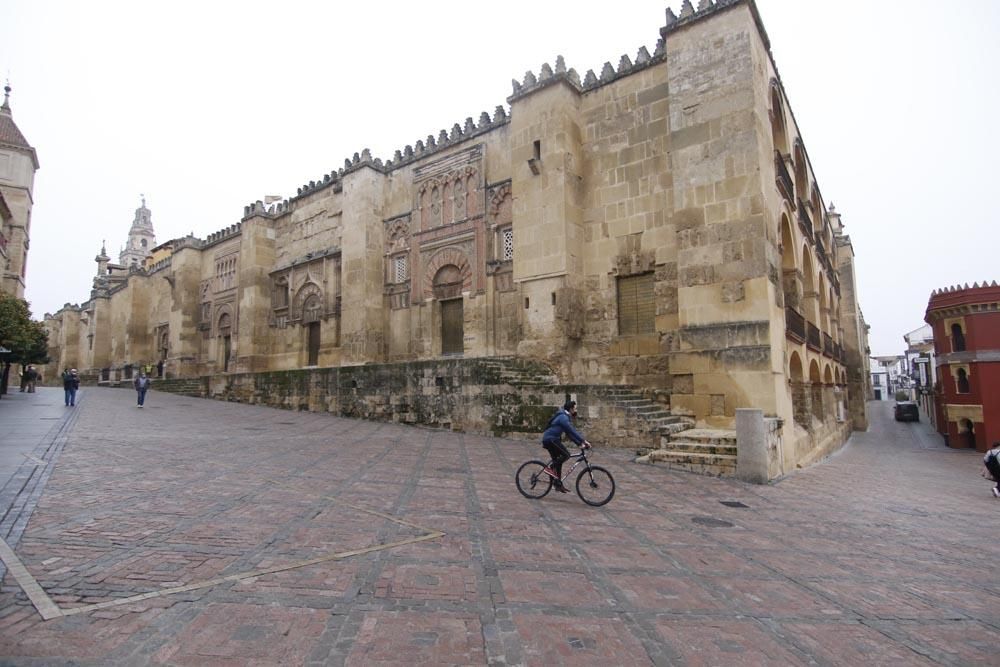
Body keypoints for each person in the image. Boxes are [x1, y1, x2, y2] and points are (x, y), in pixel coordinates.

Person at [541, 400, 591, 493]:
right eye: (575, 408)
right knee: (566, 455)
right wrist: (584, 441)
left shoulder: (565, 416)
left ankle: (558, 484)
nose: (576, 410)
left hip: (552, 440)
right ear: (571, 409)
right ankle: (550, 468)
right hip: (551, 440)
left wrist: (579, 444)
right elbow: (572, 431)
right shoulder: (563, 418)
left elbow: (569, 434)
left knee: (559, 460)